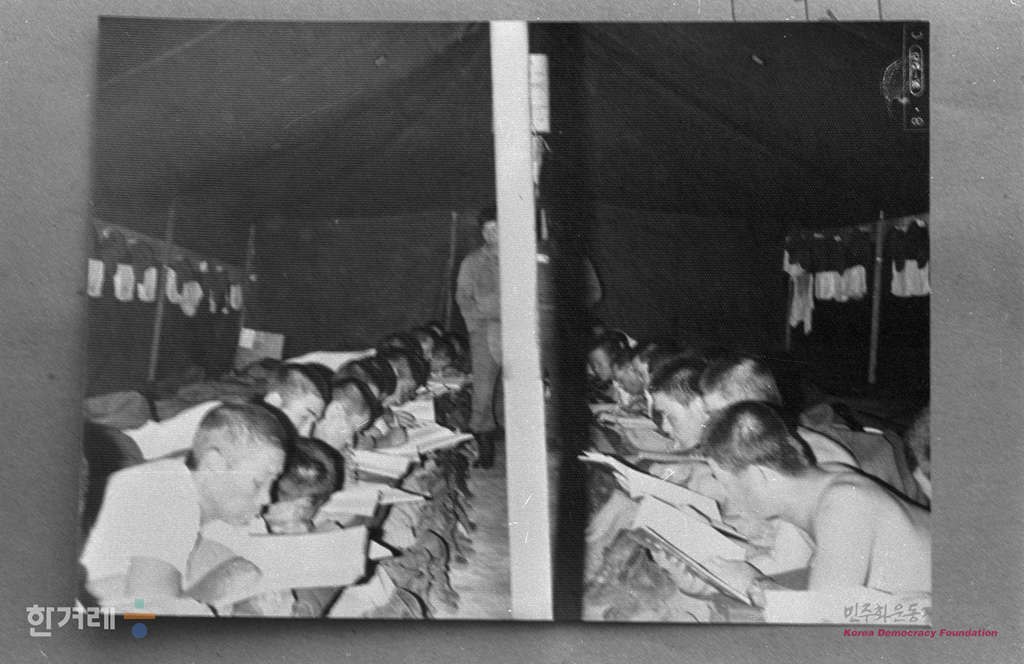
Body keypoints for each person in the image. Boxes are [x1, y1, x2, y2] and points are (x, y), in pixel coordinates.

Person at [659, 401, 930, 599]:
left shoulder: (844, 505)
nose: (726, 495)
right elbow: (794, 569)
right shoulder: (811, 486)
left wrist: (752, 585)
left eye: (726, 483)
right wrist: (707, 571)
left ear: (760, 476)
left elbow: (824, 622)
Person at [79, 403, 288, 614]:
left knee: (239, 571)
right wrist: (213, 594)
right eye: (258, 482)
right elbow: (149, 613)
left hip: (117, 600)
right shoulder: (168, 493)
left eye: (273, 481)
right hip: (87, 613)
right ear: (213, 464)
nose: (267, 497)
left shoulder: (189, 487)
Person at [125, 363, 328, 460]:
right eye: (304, 417)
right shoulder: (227, 419)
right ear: (275, 401)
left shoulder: (269, 436)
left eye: (314, 422)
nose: (307, 431)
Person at [455, 205, 502, 467]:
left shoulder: (523, 257)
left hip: (521, 332)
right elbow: (463, 297)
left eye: (496, 228)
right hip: (485, 331)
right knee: (483, 391)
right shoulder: (472, 262)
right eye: (486, 230)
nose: (491, 234)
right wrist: (476, 326)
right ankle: (485, 447)